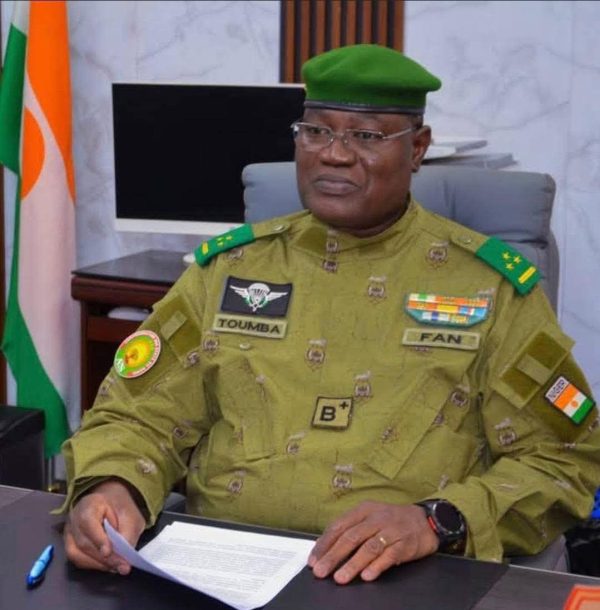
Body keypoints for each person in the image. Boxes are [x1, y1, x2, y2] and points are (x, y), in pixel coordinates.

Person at [61, 44, 600, 585]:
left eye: (366, 136)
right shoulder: (229, 270)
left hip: (404, 581)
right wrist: (114, 486)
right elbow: (136, 415)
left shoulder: (489, 288)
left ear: (417, 148)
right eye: (316, 131)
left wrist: (437, 520)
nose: (334, 155)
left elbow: (564, 457)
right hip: (222, 575)